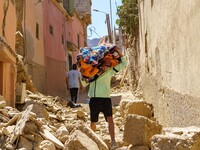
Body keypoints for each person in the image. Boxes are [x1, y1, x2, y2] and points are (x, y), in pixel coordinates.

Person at [81, 48, 127, 149]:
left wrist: (118, 51)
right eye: (107, 60)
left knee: (110, 120)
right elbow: (84, 84)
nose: (109, 61)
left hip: (106, 99)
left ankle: (113, 141)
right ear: (102, 62)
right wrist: (83, 73)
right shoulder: (92, 72)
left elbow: (124, 63)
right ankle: (92, 141)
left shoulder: (110, 71)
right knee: (93, 122)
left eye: (109, 60)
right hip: (94, 100)